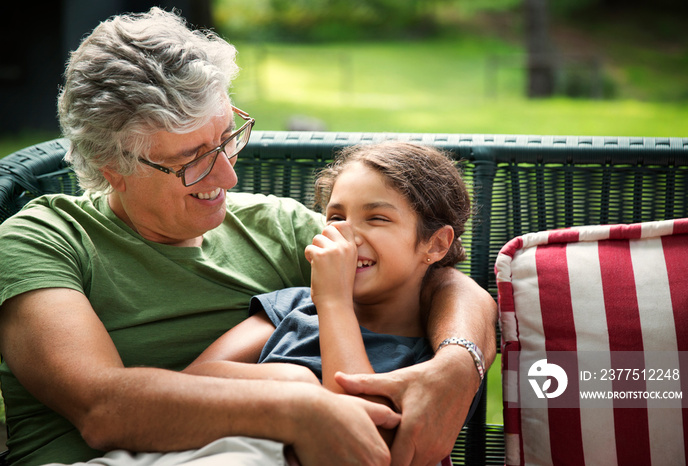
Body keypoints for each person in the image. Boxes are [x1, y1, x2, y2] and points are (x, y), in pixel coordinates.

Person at [0, 7, 496, 466]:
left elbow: (439, 280)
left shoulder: (273, 227)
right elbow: (102, 408)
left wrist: (458, 363)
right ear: (114, 167)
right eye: (192, 161)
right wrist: (294, 402)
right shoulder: (44, 240)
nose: (227, 177)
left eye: (226, 140)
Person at [183, 141, 485, 461]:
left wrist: (335, 303)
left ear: (435, 245)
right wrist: (290, 385)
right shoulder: (293, 308)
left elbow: (362, 448)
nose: (347, 236)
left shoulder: (434, 367)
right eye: (336, 217)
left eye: (377, 218)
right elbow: (186, 389)